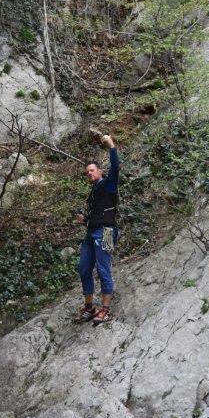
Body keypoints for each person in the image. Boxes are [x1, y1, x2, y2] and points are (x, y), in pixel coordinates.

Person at [73, 133, 119, 326]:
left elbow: (116, 168)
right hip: (92, 233)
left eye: (92, 171)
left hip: (107, 232)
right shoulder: (94, 192)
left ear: (100, 171)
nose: (89, 174)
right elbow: (98, 214)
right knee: (84, 268)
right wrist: (85, 220)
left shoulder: (108, 184)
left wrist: (111, 146)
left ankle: (106, 309)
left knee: (103, 269)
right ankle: (90, 307)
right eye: (87, 172)